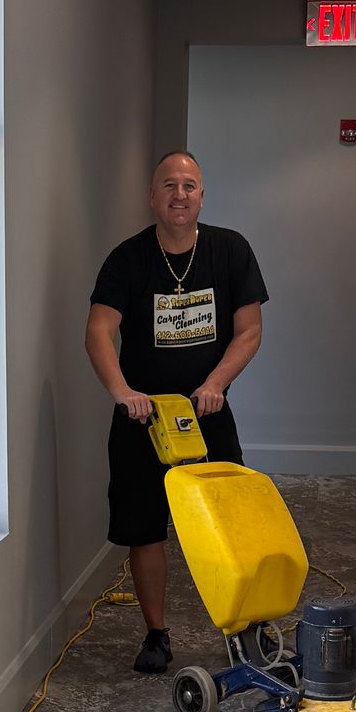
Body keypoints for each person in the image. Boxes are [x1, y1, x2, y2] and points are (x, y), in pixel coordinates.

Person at [84, 150, 268, 672]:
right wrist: (122, 392)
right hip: (143, 419)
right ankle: (156, 634)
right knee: (145, 528)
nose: (179, 194)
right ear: (152, 197)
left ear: (202, 195)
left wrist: (216, 383)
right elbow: (99, 330)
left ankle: (243, 629)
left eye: (189, 185)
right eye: (169, 185)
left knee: (229, 523)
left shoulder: (231, 251)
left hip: (206, 415)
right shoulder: (127, 259)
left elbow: (249, 330)